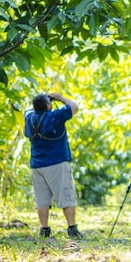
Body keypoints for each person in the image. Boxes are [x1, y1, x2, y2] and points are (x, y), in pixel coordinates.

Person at [24, 92, 83, 239]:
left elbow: (28, 109)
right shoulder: (55, 116)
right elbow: (74, 107)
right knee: (66, 195)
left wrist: (41, 100)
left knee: (42, 199)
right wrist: (60, 98)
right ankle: (72, 228)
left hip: (37, 165)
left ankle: (44, 229)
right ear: (49, 105)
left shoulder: (29, 118)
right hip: (56, 163)